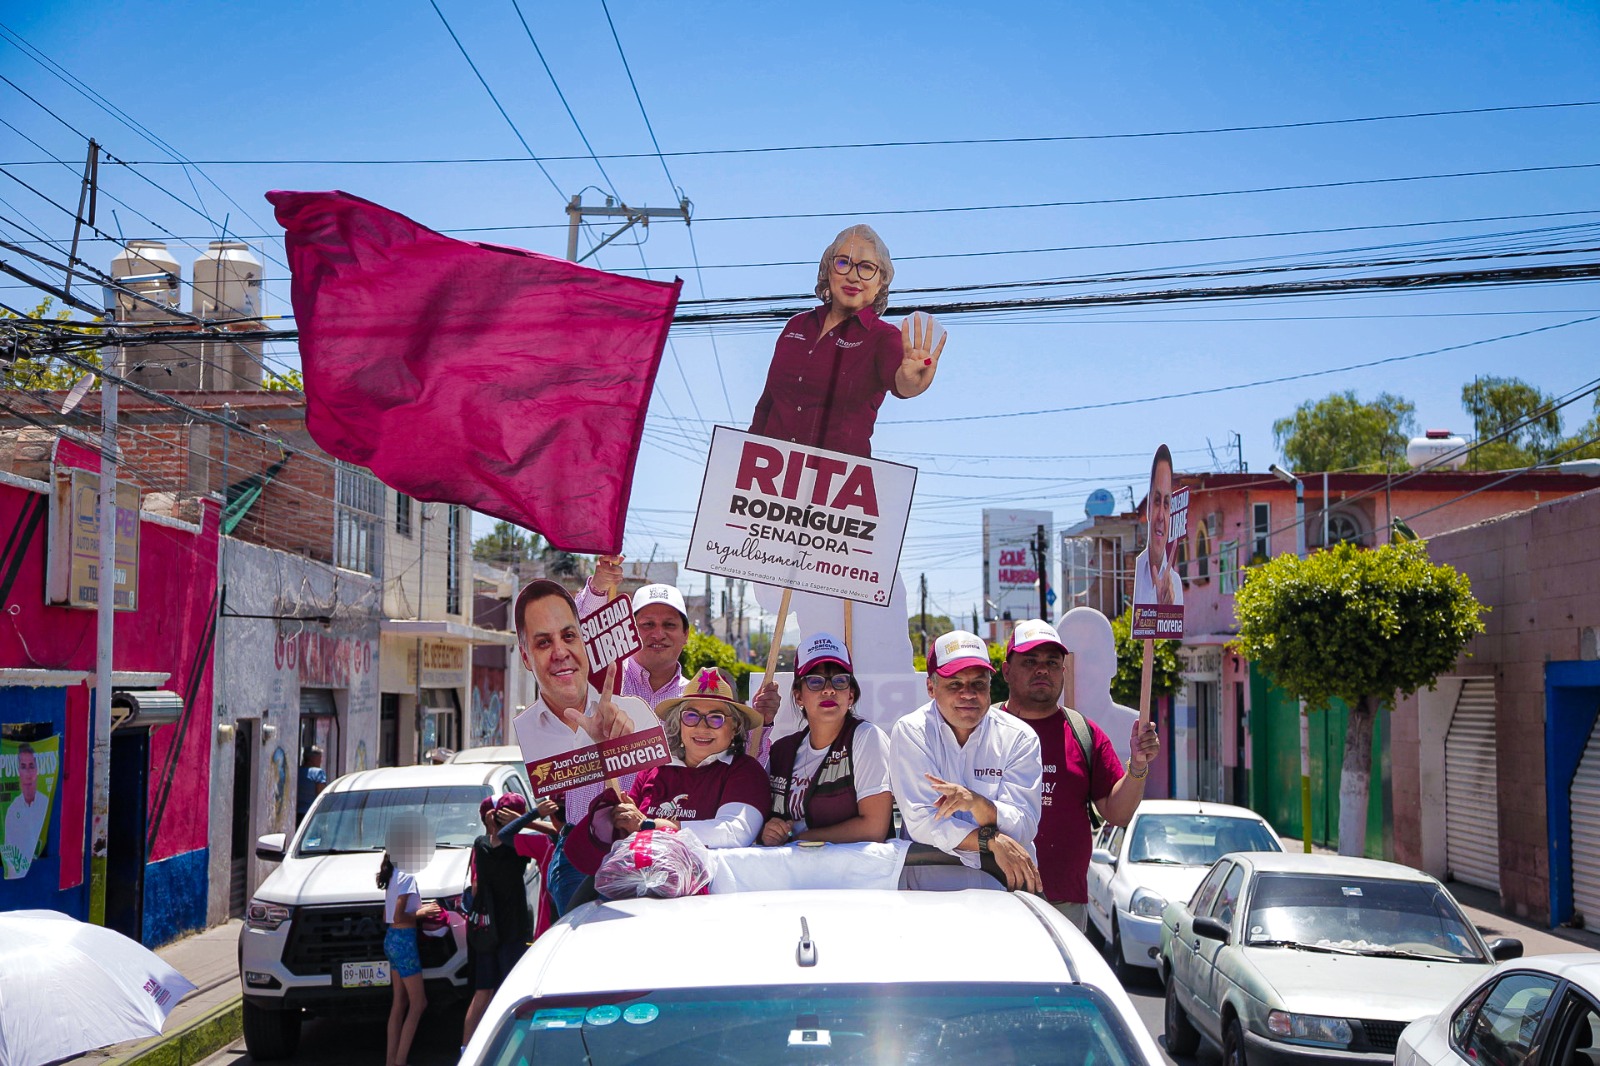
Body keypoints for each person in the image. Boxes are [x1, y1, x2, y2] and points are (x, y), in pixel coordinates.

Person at [996, 618, 1161, 930]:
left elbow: (1117, 813)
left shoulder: (1085, 734)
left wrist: (1138, 766)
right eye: (1029, 661)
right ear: (1007, 671)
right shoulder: (982, 730)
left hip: (1064, 906)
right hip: (991, 897)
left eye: (1051, 662)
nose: (1041, 669)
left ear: (1063, 671)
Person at [749, 224, 946, 459]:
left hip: (836, 484)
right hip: (767, 479)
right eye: (843, 262)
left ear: (880, 282)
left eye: (866, 268)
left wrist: (912, 382)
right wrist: (744, 459)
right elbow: (767, 404)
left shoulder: (883, 338)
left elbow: (901, 382)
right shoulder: (797, 326)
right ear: (828, 269)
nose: (853, 276)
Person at [563, 668, 771, 879]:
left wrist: (649, 825)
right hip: (639, 883)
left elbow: (733, 832)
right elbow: (624, 828)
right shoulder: (655, 769)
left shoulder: (745, 772)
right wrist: (605, 749)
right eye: (691, 716)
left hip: (706, 891)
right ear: (678, 723)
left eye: (715, 718)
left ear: (734, 726)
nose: (702, 726)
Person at [889, 630, 1043, 893]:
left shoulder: (1019, 737)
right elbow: (922, 822)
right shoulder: (911, 731)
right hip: (928, 898)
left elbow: (1025, 824)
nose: (968, 694)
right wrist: (991, 841)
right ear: (930, 688)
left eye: (978, 684)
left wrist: (978, 803)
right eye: (955, 684)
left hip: (1004, 896)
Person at [762, 633, 894, 846]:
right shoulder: (781, 751)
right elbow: (766, 819)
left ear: (850, 695)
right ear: (798, 696)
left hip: (854, 876)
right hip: (794, 875)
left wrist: (797, 838)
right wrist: (770, 830)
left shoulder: (867, 738)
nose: (829, 689)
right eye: (815, 681)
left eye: (840, 681)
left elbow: (874, 828)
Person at [510, 580, 658, 762]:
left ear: (584, 643)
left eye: (569, 636)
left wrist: (618, 752)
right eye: (544, 642)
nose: (560, 653)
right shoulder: (522, 731)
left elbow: (663, 787)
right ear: (525, 657)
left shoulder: (637, 716)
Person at [460, 794, 537, 1048]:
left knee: (482, 992)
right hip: (513, 929)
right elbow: (531, 839)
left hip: (486, 929)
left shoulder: (480, 844)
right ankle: (513, 1049)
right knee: (511, 992)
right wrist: (530, 817)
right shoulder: (518, 847)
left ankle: (466, 1051)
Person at [378, 818, 442, 1066]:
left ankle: (391, 1060)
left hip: (391, 939)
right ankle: (400, 1060)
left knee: (399, 1002)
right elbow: (399, 915)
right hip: (404, 940)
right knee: (418, 1003)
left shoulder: (393, 873)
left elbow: (388, 916)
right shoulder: (406, 876)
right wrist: (425, 912)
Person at [1133, 445, 1183, 608]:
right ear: (1148, 508)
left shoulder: (1174, 584)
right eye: (1156, 501)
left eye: (1167, 503)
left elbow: (1174, 634)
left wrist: (1164, 609)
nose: (1161, 516)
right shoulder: (1138, 568)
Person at [4, 743, 48, 877]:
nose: (28, 773)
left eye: (31, 766)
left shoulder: (45, 803)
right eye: (23, 767)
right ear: (18, 771)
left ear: (37, 769)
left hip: (42, 872)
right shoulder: (12, 810)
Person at [296, 745, 326, 824]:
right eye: (320, 758)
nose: (321, 761)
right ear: (313, 758)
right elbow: (321, 795)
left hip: (296, 813)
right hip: (311, 813)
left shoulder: (297, 771)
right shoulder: (318, 773)